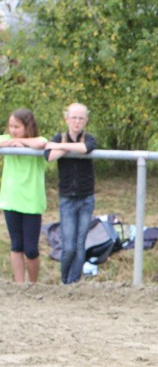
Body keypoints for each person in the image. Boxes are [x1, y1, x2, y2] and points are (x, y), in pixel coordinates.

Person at [45, 102, 97, 284]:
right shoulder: (59, 137)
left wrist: (62, 147)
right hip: (67, 198)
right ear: (67, 119)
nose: (77, 121)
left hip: (86, 198)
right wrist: (62, 146)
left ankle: (74, 282)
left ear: (86, 120)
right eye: (74, 117)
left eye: (81, 118)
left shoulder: (88, 138)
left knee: (80, 244)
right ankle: (64, 281)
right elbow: (49, 155)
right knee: (68, 246)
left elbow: (86, 148)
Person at [0, 108, 48, 283]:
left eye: (17, 127)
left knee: (31, 249)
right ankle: (20, 285)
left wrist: (21, 142)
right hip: (11, 200)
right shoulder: (6, 140)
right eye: (11, 126)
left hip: (31, 202)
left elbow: (42, 143)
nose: (13, 131)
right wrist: (11, 143)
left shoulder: (37, 141)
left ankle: (33, 284)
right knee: (16, 246)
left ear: (28, 127)